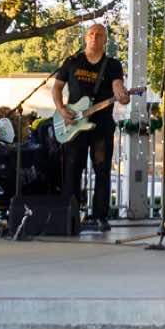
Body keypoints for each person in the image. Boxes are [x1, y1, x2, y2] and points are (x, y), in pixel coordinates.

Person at [50, 23, 130, 234]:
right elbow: (57, 87)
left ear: (105, 40)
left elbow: (117, 86)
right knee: (72, 170)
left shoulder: (112, 64)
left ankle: (100, 216)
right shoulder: (72, 61)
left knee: (102, 170)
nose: (95, 37)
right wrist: (61, 109)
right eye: (92, 34)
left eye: (100, 35)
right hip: (74, 124)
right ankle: (71, 215)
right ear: (86, 37)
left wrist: (122, 95)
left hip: (102, 126)